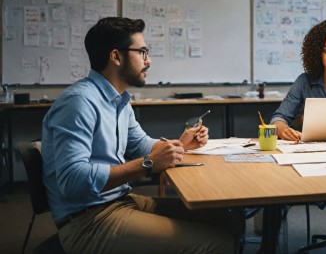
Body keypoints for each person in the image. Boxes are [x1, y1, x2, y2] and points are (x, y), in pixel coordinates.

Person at [42, 17, 243, 253]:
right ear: (116, 57)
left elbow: (140, 144)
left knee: (227, 219)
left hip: (118, 201)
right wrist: (148, 164)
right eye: (142, 52)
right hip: (88, 221)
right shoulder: (80, 102)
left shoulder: (119, 100)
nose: (148, 61)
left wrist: (181, 144)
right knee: (217, 243)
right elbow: (72, 181)